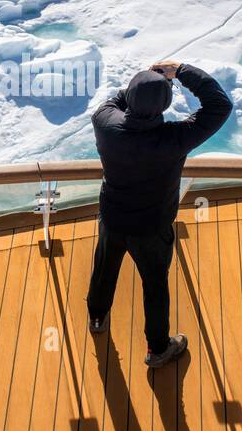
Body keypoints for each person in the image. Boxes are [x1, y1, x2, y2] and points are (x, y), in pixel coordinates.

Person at [86, 60, 233, 367]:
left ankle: (97, 317)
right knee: (155, 286)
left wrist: (144, 83)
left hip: (113, 216)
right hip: (152, 228)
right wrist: (179, 71)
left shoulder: (104, 122)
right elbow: (219, 105)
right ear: (165, 106)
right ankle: (157, 349)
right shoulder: (175, 139)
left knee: (104, 268)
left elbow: (116, 99)